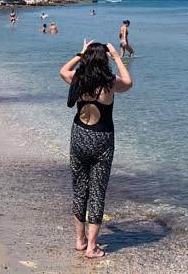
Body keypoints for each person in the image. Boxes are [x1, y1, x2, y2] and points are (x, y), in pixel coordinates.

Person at [59, 40, 133, 259]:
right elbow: (128, 82)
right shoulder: (109, 83)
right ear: (104, 59)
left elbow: (63, 71)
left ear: (87, 58)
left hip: (80, 137)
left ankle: (80, 241)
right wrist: (118, 58)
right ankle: (92, 247)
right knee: (97, 193)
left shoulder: (78, 79)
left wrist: (80, 54)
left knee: (80, 189)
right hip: (102, 140)